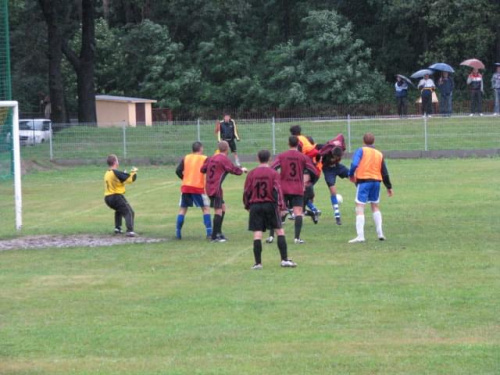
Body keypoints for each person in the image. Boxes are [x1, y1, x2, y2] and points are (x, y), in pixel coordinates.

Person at [243, 149, 297, 269]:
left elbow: (247, 191)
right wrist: (282, 206)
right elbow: (278, 190)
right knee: (279, 231)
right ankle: (284, 260)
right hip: (270, 205)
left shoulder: (251, 173)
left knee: (257, 234)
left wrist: (247, 205)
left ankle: (258, 263)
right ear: (270, 159)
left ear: (257, 158)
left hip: (255, 205)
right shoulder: (273, 173)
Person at [269, 135, 319, 244]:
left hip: (284, 187)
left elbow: (272, 168)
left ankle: (271, 237)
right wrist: (309, 183)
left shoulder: (282, 156)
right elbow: (314, 171)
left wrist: (276, 180)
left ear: (288, 143)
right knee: (298, 212)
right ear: (299, 144)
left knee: (278, 210)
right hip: (297, 188)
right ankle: (297, 238)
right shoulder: (303, 157)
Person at [348, 133, 393, 243]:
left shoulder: (361, 150)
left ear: (363, 141)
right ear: (374, 142)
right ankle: (380, 233)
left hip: (364, 181)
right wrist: (388, 186)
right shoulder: (379, 153)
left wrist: (350, 174)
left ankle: (360, 236)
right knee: (375, 206)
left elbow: (354, 164)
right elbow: (384, 172)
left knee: (359, 207)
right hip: (376, 182)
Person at [201, 141, 247, 242]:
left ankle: (219, 232)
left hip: (209, 186)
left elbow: (202, 169)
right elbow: (234, 170)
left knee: (222, 208)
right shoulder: (223, 159)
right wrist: (242, 170)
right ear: (227, 149)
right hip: (215, 188)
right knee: (218, 210)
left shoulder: (211, 158)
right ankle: (214, 237)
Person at [175, 141, 212, 240]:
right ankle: (209, 232)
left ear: (192, 149)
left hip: (186, 186)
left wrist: (184, 178)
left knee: (183, 209)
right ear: (201, 149)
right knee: (205, 208)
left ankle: (178, 233)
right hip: (198, 187)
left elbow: (178, 171)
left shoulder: (186, 158)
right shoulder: (204, 158)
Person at [104, 154, 138, 237]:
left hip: (107, 198)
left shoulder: (107, 173)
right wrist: (134, 171)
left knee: (119, 210)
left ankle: (118, 228)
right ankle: (130, 231)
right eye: (117, 160)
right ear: (115, 162)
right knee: (129, 212)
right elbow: (130, 179)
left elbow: (118, 180)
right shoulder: (115, 172)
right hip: (116, 197)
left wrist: (123, 174)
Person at [321, 146, 349, 225]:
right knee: (333, 192)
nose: (338, 158)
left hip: (338, 167)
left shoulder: (338, 150)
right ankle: (337, 216)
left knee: (353, 176)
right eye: (337, 157)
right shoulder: (324, 154)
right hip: (328, 171)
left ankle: (363, 196)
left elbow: (341, 137)